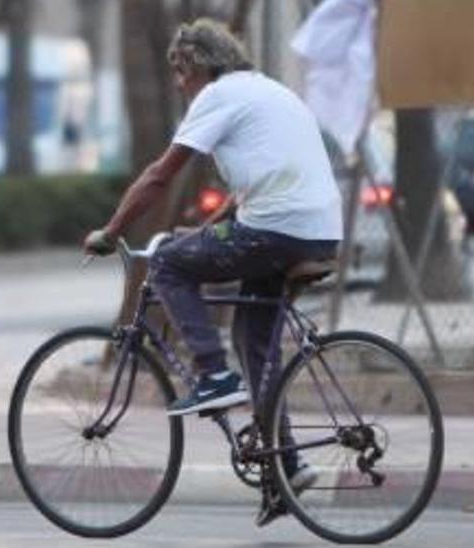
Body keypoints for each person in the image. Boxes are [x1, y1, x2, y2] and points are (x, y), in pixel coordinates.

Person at [82, 19, 339, 525]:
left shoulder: (217, 96)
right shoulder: (266, 91)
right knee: (255, 341)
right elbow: (249, 192)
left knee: (167, 263)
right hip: (315, 228)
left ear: (200, 64)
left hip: (275, 230)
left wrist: (111, 231)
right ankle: (286, 466)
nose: (179, 83)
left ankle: (213, 375)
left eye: (180, 71)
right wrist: (205, 229)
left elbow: (160, 175)